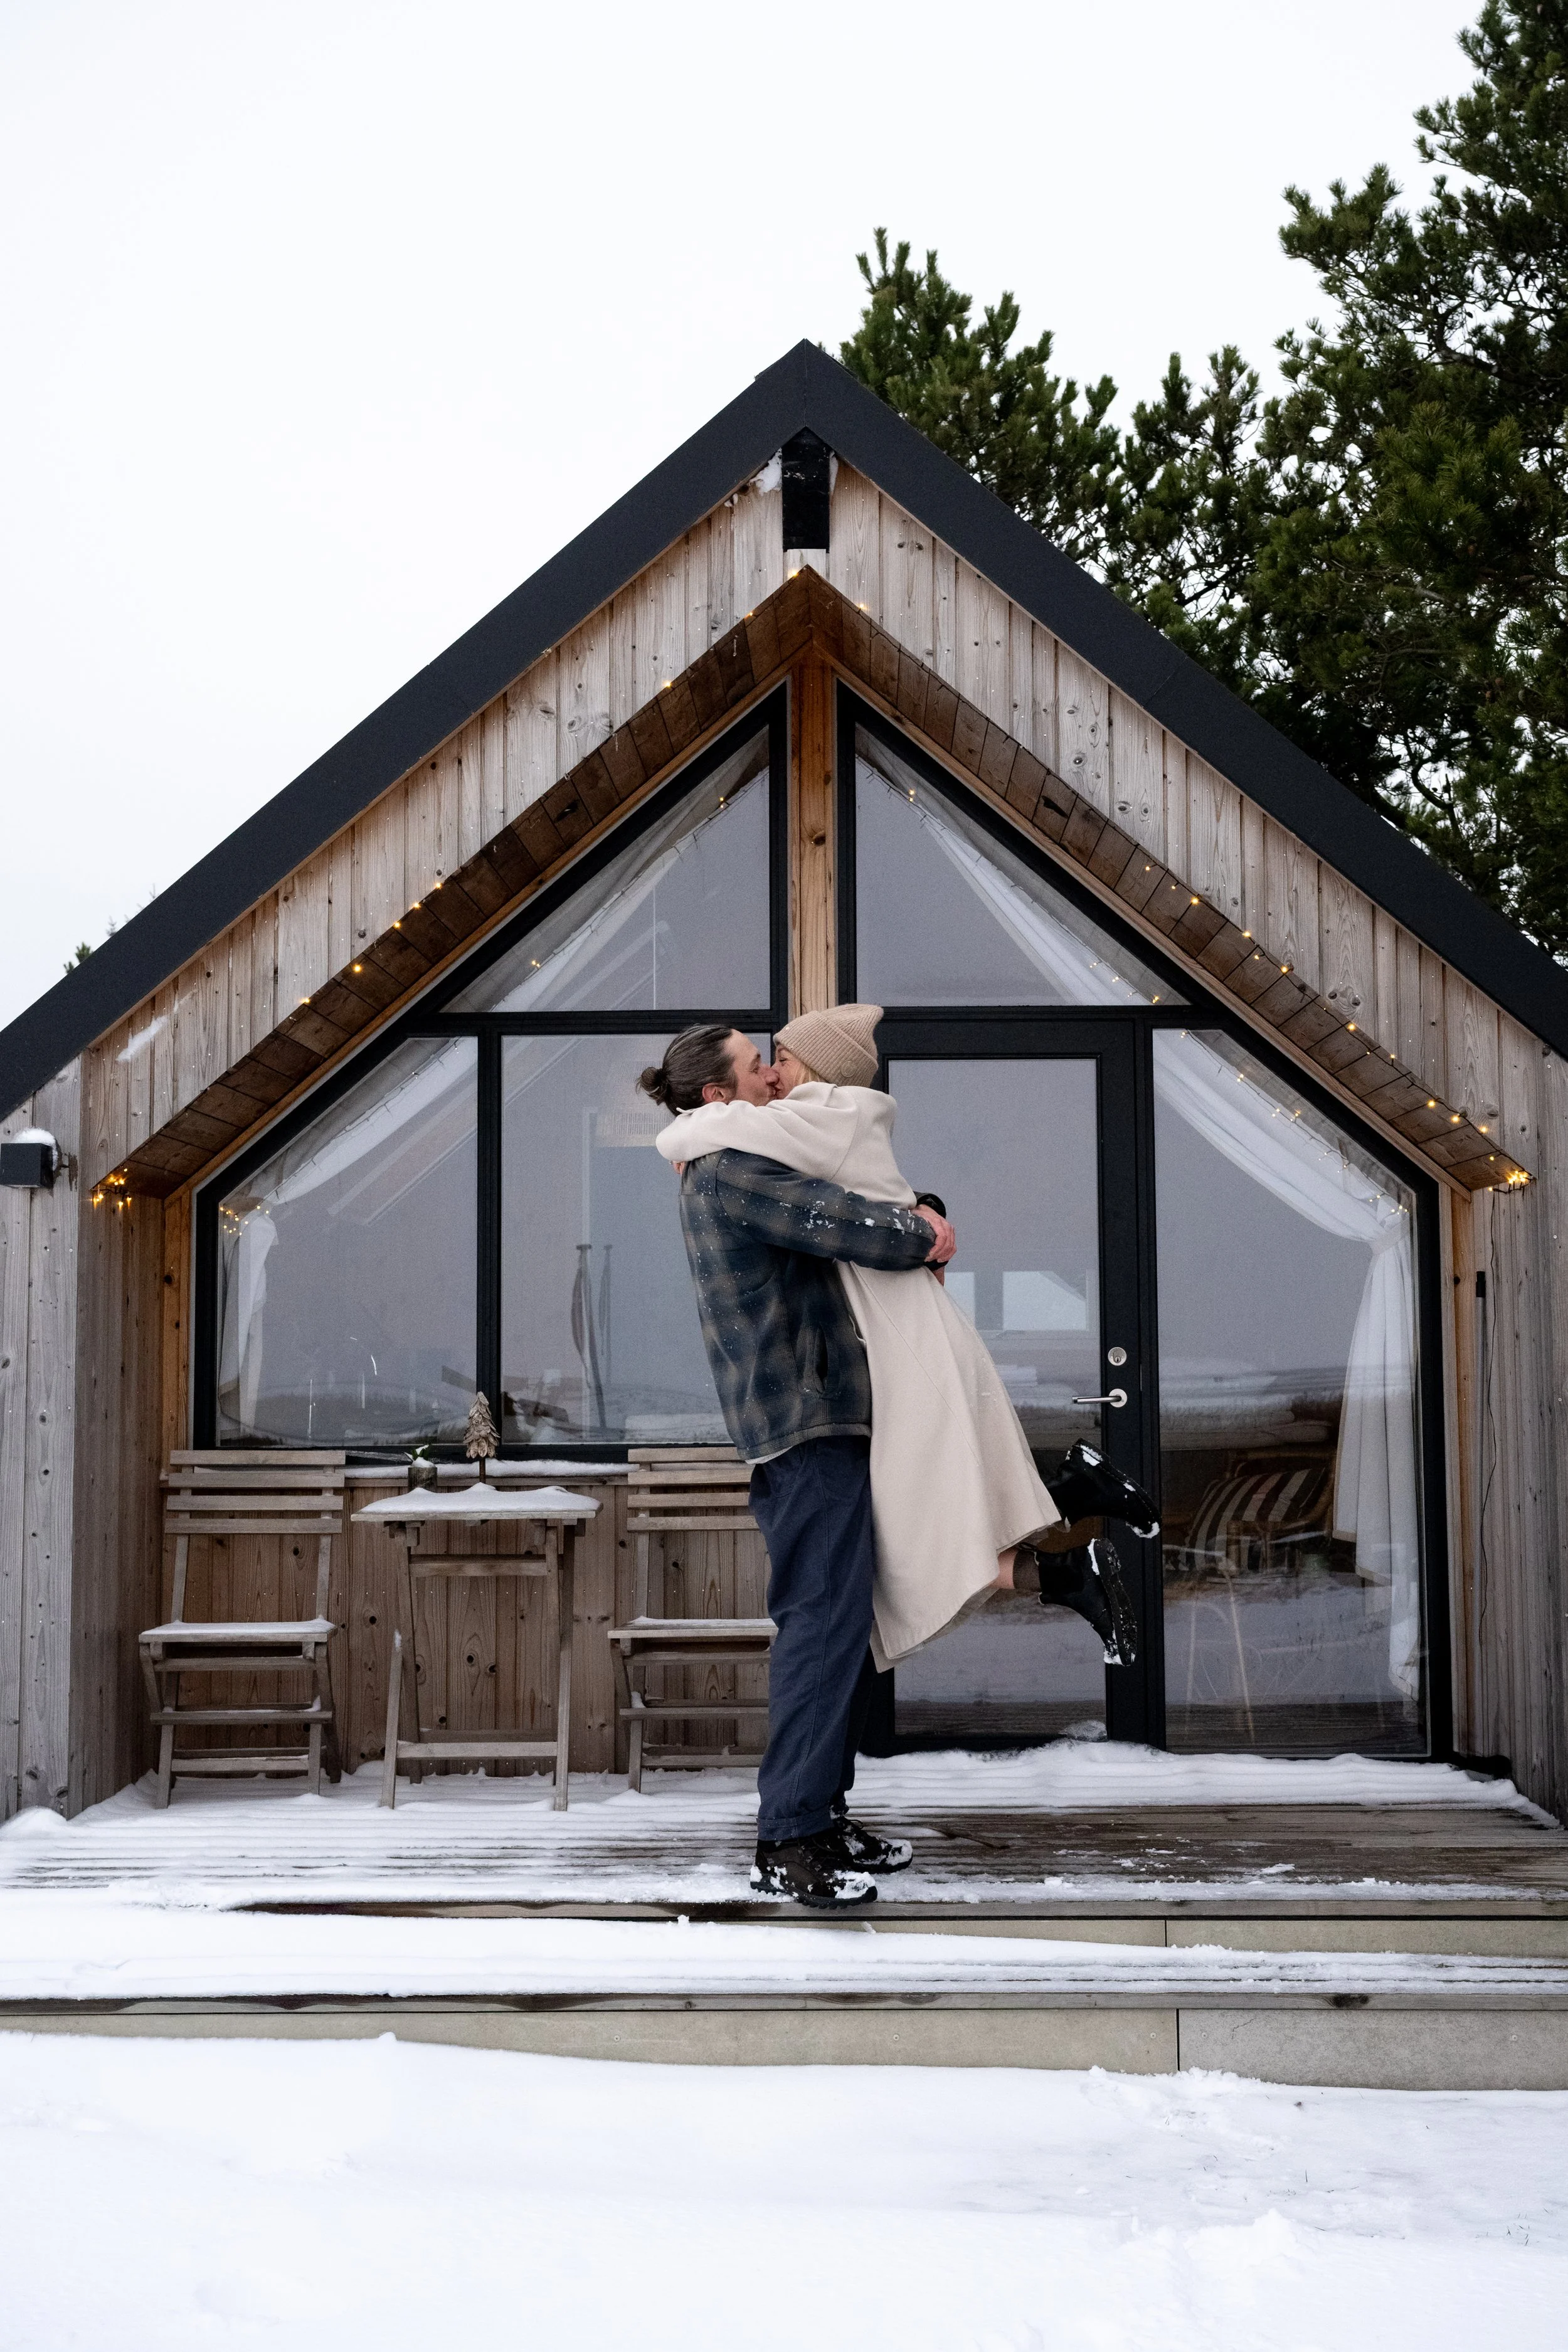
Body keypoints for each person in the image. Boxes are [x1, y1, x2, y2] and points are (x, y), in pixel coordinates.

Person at [657, 1006, 1147, 1668]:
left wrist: (683, 1135)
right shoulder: (821, 1120)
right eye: (760, 1064)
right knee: (916, 1503)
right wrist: (925, 1209)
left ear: (818, 1071)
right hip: (892, 1319)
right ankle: (1070, 1530)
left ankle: (1071, 1516)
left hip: (897, 1324)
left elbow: (719, 1123)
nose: (773, 1076)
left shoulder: (822, 1110)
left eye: (781, 1060)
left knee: (917, 1498)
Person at [639, 1024, 951, 1910]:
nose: (774, 1074)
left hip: (811, 1423)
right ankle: (790, 1837)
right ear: (717, 1095)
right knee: (819, 1622)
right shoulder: (734, 1170)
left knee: (837, 1620)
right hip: (803, 1426)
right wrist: (922, 1232)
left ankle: (821, 1810)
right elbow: (842, 1222)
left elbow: (838, 1201)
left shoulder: (735, 1157)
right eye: (756, 1064)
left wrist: (911, 1209)